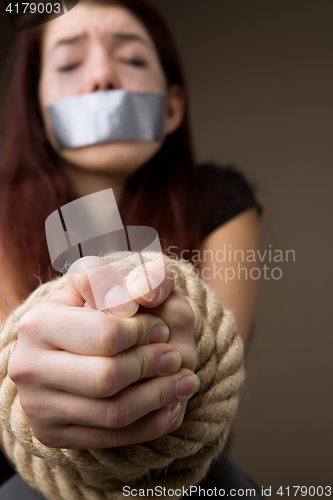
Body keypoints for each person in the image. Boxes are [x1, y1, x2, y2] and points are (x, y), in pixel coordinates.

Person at [0, 0, 262, 496]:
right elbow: (10, 385)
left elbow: (220, 365)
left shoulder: (222, 203)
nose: (101, 77)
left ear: (171, 108)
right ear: (38, 110)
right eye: (69, 63)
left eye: (133, 59)